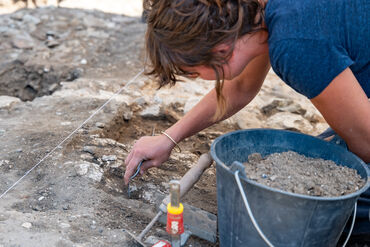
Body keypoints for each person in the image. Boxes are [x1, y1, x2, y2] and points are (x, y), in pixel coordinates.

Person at [124, 0, 370, 240]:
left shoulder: (294, 43)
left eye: (194, 72)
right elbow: (240, 86)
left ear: (221, 52)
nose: (198, 77)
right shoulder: (255, 13)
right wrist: (169, 138)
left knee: (314, 216)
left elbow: (367, 143)